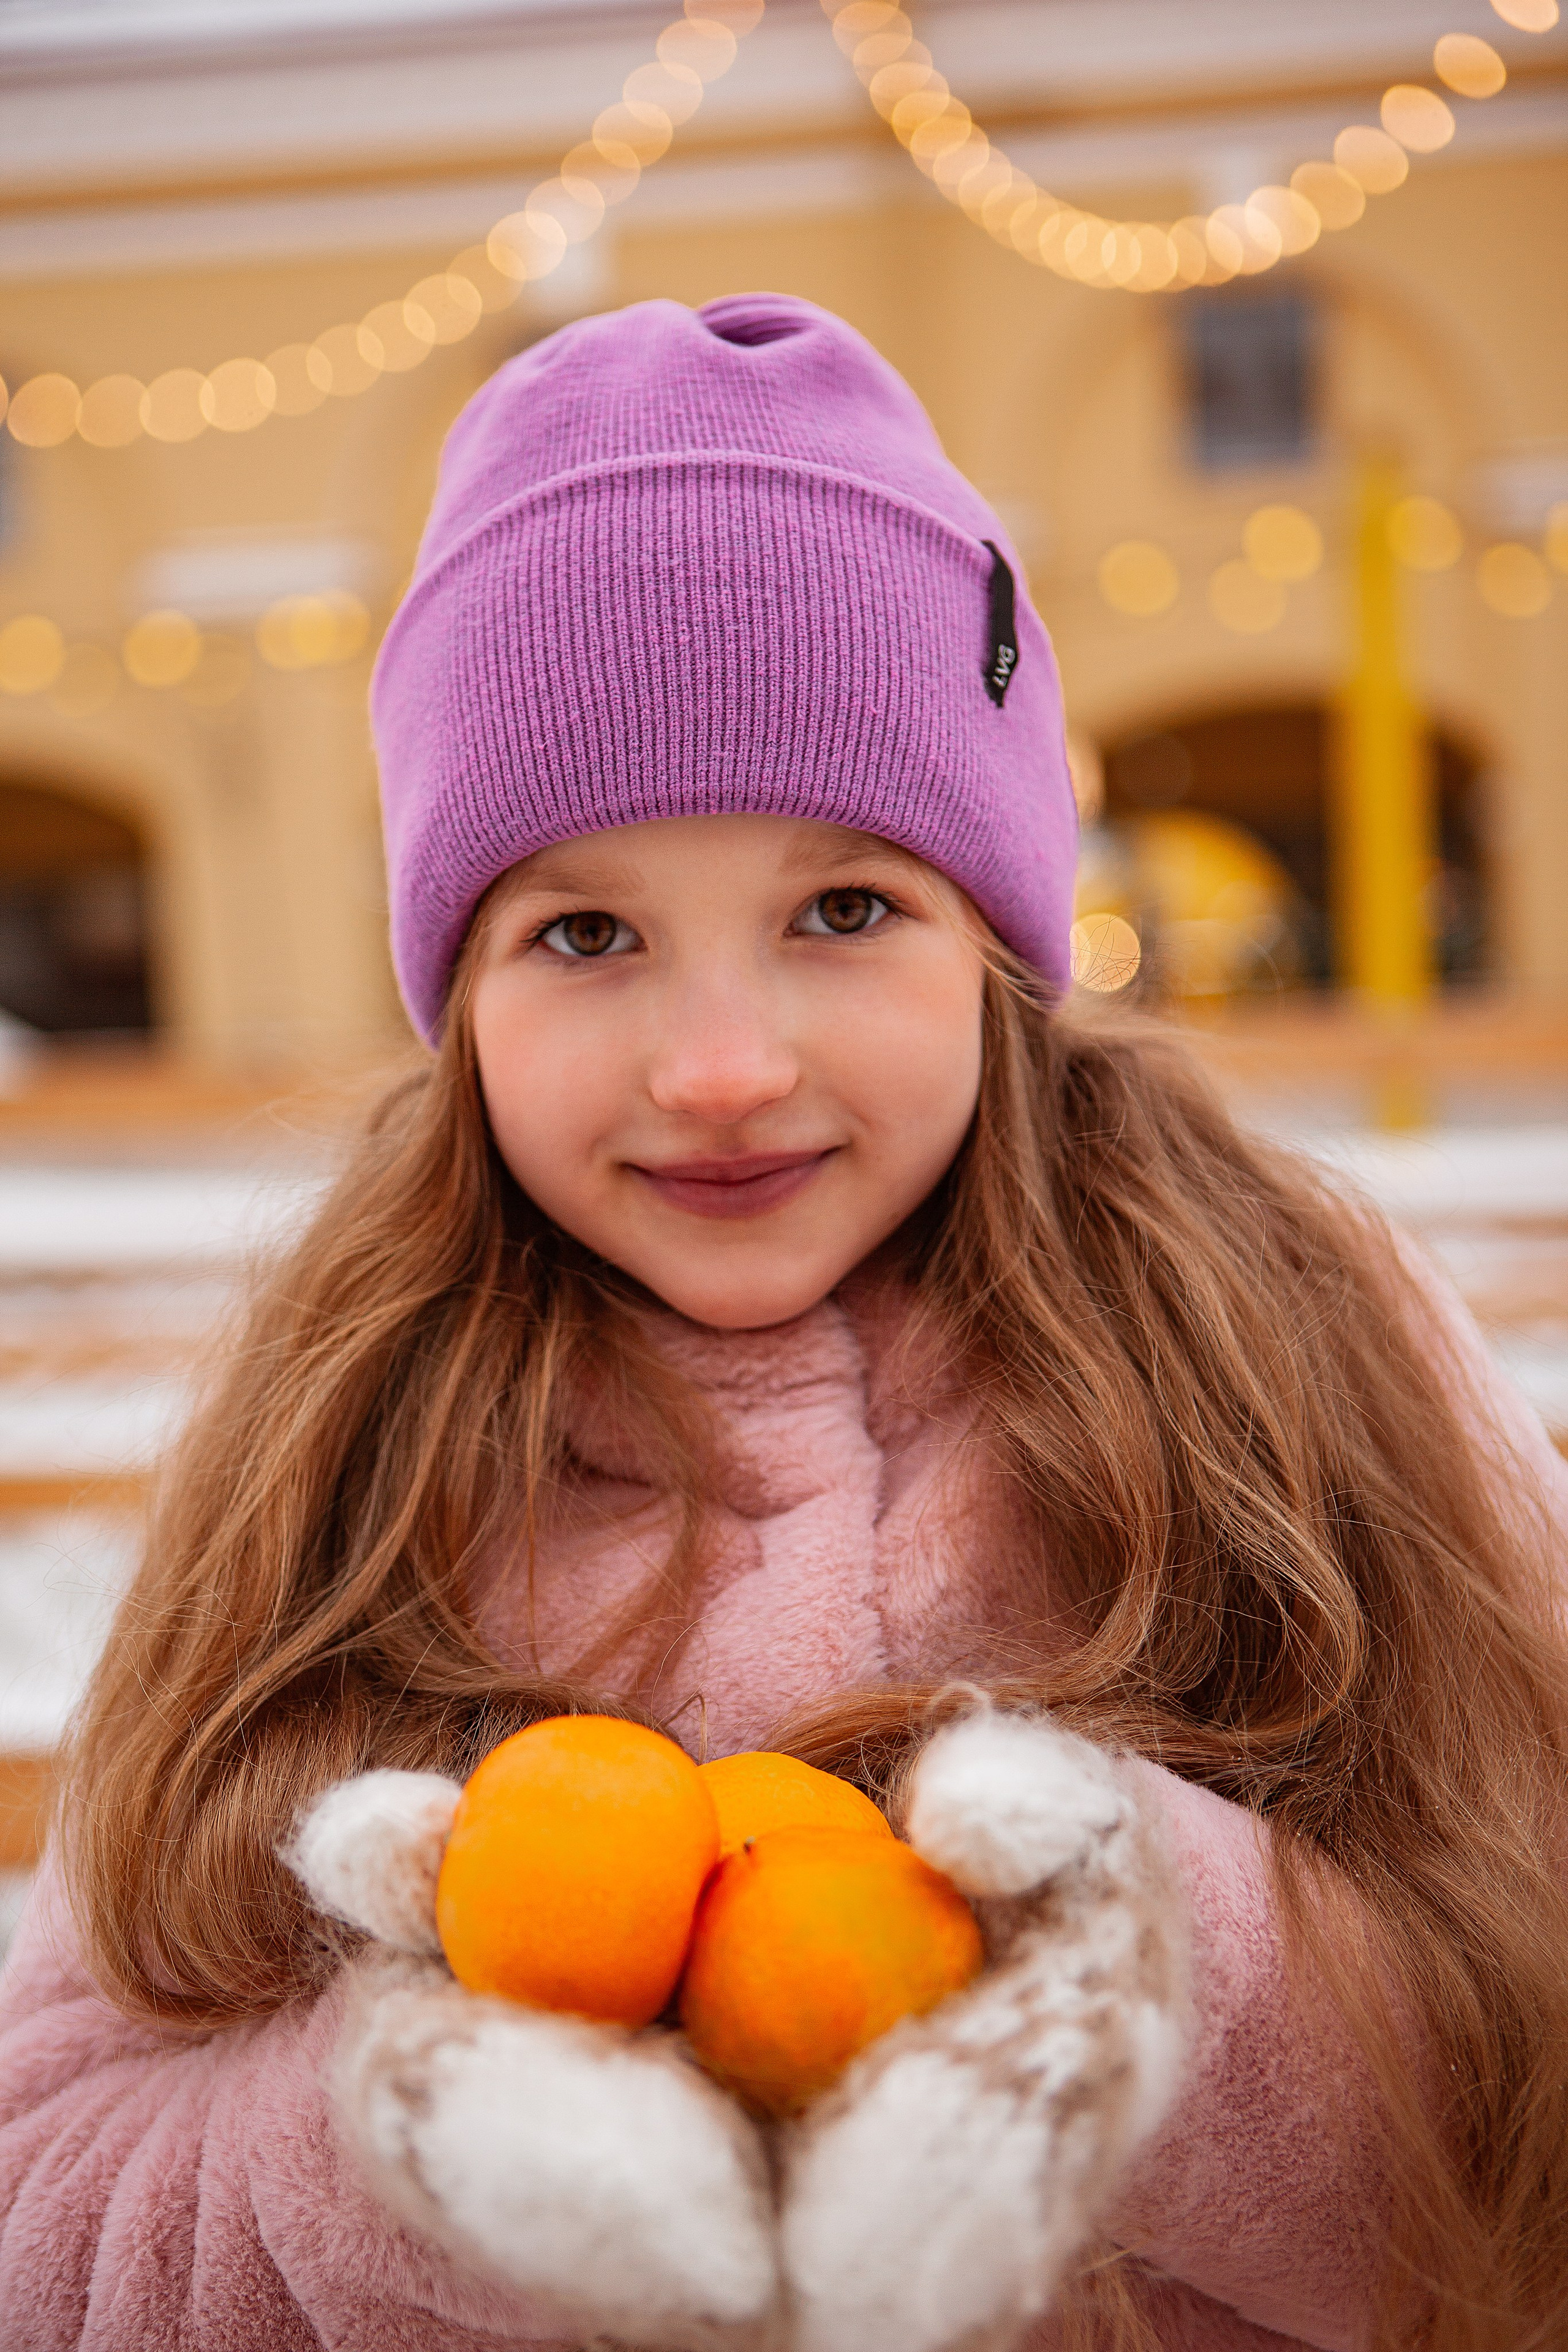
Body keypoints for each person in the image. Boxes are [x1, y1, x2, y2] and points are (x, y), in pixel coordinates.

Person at [2, 293, 1566, 2352]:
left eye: (845, 910)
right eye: (584, 931)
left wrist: (1161, 2010)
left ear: (1000, 935)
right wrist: (401, 2169)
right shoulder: (341, 1420)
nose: (724, 1064)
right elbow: (49, 2220)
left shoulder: (1301, 1327)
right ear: (460, 995)